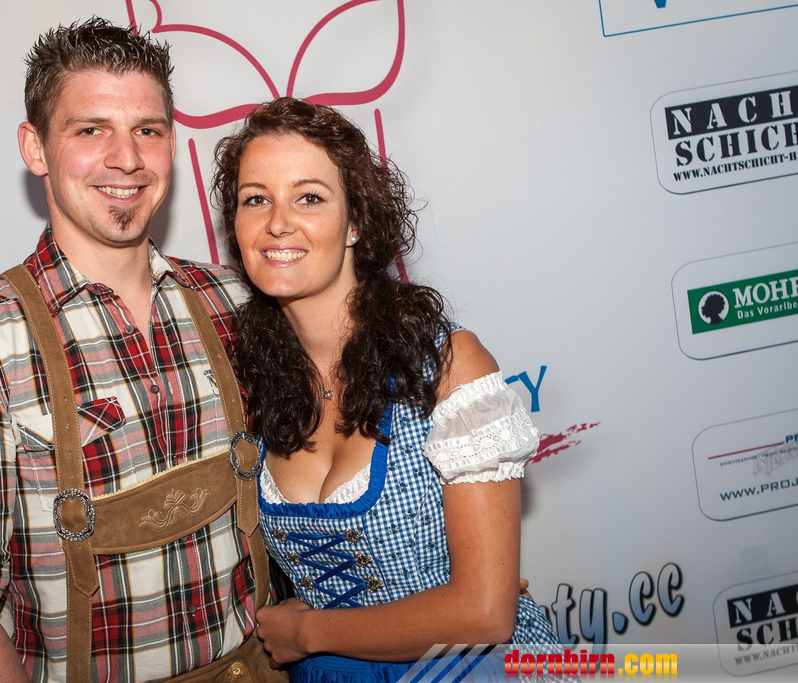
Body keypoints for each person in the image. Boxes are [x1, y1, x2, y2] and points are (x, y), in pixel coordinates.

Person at [0, 18, 284, 682]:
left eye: (148, 130)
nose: (126, 158)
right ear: (36, 147)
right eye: (91, 130)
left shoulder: (234, 300)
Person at [211, 97, 559, 681]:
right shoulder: (249, 375)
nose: (278, 222)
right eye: (255, 199)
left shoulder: (446, 365)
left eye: (309, 197)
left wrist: (307, 632)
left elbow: (485, 613)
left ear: (357, 222)